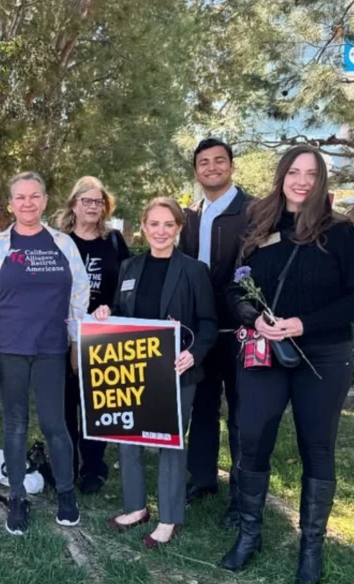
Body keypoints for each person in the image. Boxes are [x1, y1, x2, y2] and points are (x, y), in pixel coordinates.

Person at [221, 145, 354, 584]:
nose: (302, 181)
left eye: (311, 173)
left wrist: (304, 323)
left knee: (317, 447)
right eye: (294, 172)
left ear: (321, 180)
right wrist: (255, 318)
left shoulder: (339, 232)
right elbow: (236, 290)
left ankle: (311, 548)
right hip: (265, 353)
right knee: (252, 439)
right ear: (281, 175)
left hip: (323, 354)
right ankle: (249, 535)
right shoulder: (258, 225)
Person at [0, 172, 89, 536]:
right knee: (15, 426)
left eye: (34, 196)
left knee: (56, 425)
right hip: (10, 350)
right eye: (20, 198)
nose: (27, 203)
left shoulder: (64, 244)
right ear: (11, 203)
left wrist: (74, 342)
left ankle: (67, 494)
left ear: (45, 200)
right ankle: (17, 497)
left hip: (51, 349)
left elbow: (79, 295)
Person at [93, 197, 217, 547]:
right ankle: (135, 507)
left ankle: (169, 518)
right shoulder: (130, 267)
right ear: (144, 227)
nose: (160, 231)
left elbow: (208, 323)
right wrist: (106, 314)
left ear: (178, 229)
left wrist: (193, 353)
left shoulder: (194, 270)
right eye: (154, 224)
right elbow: (119, 310)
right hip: (133, 367)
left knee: (169, 443)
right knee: (127, 436)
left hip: (177, 370)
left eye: (168, 225)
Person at [178, 138, 254, 523]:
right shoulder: (190, 214)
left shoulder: (253, 211)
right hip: (201, 331)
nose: (211, 167)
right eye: (203, 162)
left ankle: (242, 493)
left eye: (218, 161)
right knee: (202, 407)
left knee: (242, 412)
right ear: (196, 171)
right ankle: (202, 478)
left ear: (231, 166)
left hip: (241, 329)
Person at [52, 176, 131, 495]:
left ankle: (94, 468)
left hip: (103, 333)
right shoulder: (58, 241)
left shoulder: (114, 241)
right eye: (87, 201)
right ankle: (67, 465)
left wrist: (114, 309)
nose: (93, 207)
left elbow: (128, 283)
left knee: (97, 404)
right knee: (64, 403)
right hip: (60, 334)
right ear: (74, 204)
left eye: (99, 202)